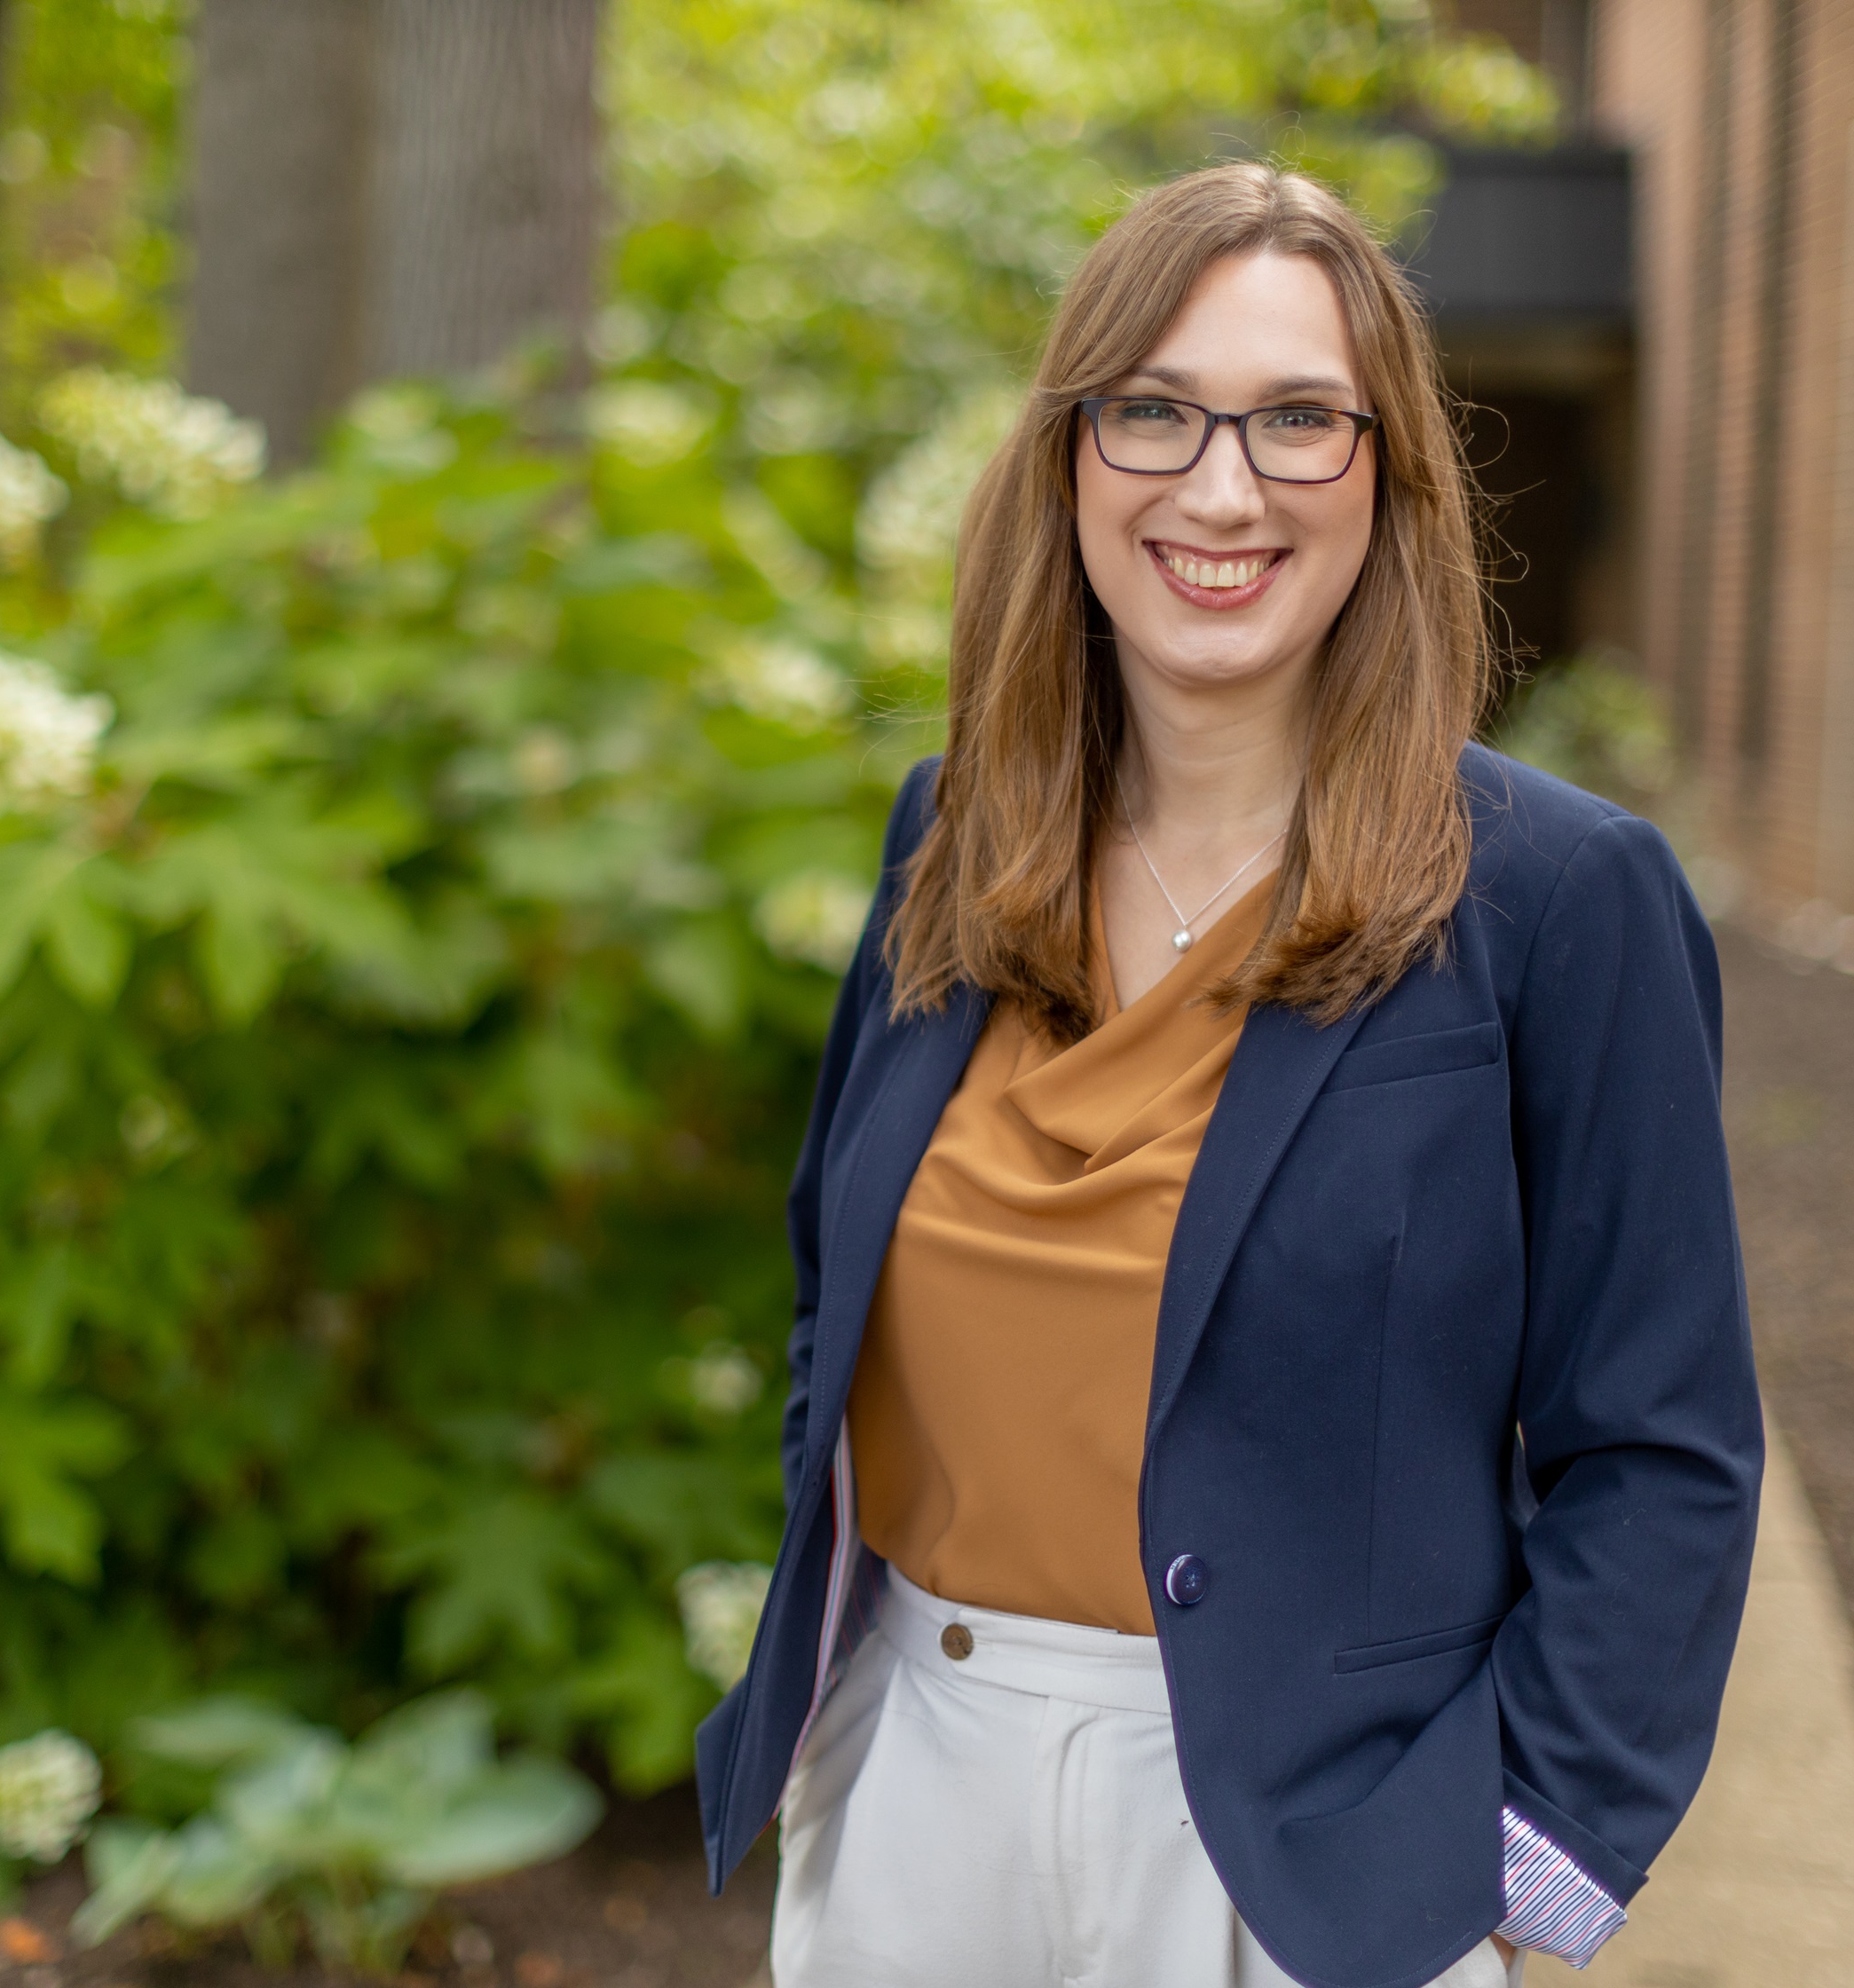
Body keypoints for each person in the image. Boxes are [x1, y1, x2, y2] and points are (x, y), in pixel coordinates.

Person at [692, 162, 1763, 1988]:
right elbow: (833, 1288)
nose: (1219, 484)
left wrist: (1516, 1860)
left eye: (1296, 421)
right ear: (1072, 457)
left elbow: (1659, 1445)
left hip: (1317, 1855)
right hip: (916, 1793)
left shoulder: (1555, 900)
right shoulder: (950, 839)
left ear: (1390, 474)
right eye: (1156, 411)